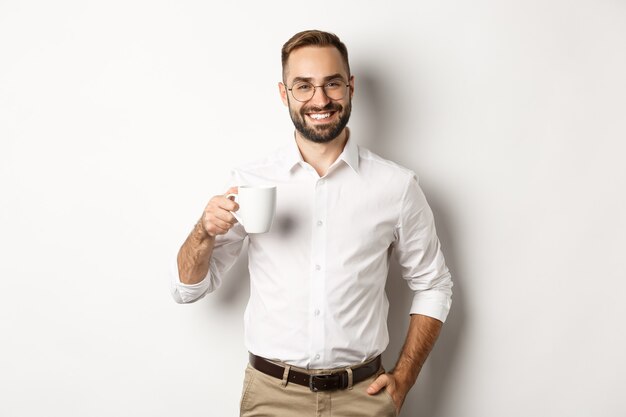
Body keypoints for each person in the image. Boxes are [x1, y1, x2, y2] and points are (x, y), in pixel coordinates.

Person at [170, 29, 453, 417]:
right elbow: (188, 290)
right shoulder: (251, 181)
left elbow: (434, 284)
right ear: (284, 94)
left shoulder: (396, 186)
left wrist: (403, 378)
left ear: (350, 87)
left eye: (332, 84)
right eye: (303, 86)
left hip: (363, 397)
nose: (320, 100)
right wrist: (203, 231)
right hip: (272, 397)